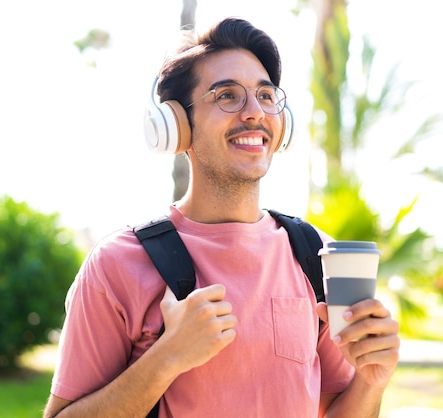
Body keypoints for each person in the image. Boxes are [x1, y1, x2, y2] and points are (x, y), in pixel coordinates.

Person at [43, 17, 399, 418]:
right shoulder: (117, 263)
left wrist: (372, 380)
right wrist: (167, 358)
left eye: (266, 96)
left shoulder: (315, 254)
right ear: (176, 126)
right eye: (227, 96)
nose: (254, 112)